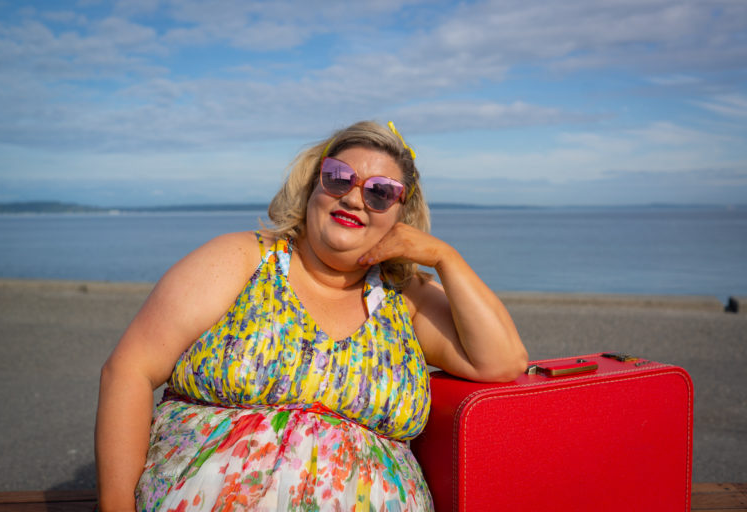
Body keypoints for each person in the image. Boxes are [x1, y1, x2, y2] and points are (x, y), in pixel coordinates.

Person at [95, 120, 529, 511]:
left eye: (380, 192)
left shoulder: (405, 298)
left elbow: (502, 361)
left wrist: (444, 257)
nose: (355, 198)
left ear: (402, 214)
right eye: (339, 178)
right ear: (313, 185)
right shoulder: (241, 259)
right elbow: (129, 370)